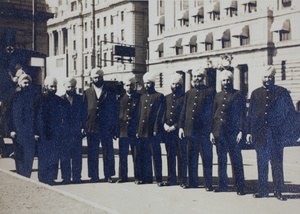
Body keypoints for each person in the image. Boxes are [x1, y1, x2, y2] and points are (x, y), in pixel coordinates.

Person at [246, 65, 295, 201]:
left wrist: (287, 132)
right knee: (261, 163)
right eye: (265, 77)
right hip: (260, 133)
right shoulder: (256, 93)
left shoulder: (282, 92)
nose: (267, 79)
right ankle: (263, 190)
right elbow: (250, 115)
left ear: (274, 78)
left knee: (276, 162)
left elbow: (290, 113)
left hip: (276, 133)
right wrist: (249, 132)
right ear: (262, 78)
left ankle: (278, 191)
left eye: (270, 77)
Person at [210, 70, 246, 195]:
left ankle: (240, 187)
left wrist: (241, 131)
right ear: (221, 82)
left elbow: (242, 114)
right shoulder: (218, 95)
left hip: (233, 133)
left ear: (231, 81)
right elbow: (213, 114)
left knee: (236, 159)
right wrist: (211, 131)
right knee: (221, 160)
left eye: (228, 80)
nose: (226, 82)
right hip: (219, 132)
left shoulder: (238, 94)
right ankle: (222, 185)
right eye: (224, 80)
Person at [179, 67, 215, 190]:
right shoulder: (189, 93)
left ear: (203, 78)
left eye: (199, 76)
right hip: (190, 131)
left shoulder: (210, 92)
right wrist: (181, 128)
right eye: (194, 76)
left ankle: (208, 184)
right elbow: (184, 111)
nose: (196, 79)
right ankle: (193, 182)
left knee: (206, 158)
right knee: (191, 158)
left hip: (204, 132)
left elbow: (213, 113)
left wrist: (211, 131)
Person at [83, 68, 117, 183]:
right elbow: (83, 110)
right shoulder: (87, 92)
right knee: (92, 151)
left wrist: (114, 126)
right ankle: (93, 175)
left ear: (102, 77)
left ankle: (109, 175)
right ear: (91, 79)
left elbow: (114, 110)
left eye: (99, 77)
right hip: (91, 126)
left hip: (106, 126)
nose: (96, 79)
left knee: (108, 151)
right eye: (94, 78)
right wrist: (83, 126)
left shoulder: (110, 91)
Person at [136, 72, 165, 186]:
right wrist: (138, 130)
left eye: (149, 83)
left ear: (153, 83)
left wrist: (156, 129)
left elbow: (159, 114)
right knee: (144, 156)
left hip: (153, 131)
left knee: (156, 156)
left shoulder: (159, 96)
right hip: (142, 131)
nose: (147, 85)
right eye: (145, 83)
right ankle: (146, 178)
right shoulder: (142, 97)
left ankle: (159, 179)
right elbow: (139, 115)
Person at [6, 74, 37, 177]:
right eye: (24, 82)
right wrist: (11, 130)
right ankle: (20, 175)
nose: (27, 85)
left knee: (29, 155)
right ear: (19, 83)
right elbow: (8, 114)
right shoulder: (14, 96)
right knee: (19, 155)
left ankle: (27, 175)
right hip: (18, 131)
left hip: (29, 131)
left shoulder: (33, 96)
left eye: (28, 83)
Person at [34, 76, 62, 185]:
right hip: (42, 132)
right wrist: (35, 132)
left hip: (55, 131)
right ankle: (42, 177)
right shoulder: (39, 98)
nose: (53, 89)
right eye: (51, 86)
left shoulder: (58, 100)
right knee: (43, 155)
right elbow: (35, 116)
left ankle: (51, 177)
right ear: (46, 86)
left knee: (54, 155)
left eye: (55, 86)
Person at [60, 77, 85, 184]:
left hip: (76, 131)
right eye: (68, 86)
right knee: (65, 155)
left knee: (77, 155)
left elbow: (84, 114)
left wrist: (83, 127)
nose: (70, 89)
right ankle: (65, 177)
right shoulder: (60, 99)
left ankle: (76, 177)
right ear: (64, 87)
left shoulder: (80, 99)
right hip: (64, 131)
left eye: (72, 87)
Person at [117, 74, 141, 183]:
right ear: (124, 87)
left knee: (136, 155)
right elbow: (117, 116)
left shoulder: (139, 98)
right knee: (122, 155)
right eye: (127, 85)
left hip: (134, 131)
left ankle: (138, 177)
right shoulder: (121, 99)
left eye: (131, 85)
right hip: (123, 131)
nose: (129, 87)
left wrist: (138, 130)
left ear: (134, 86)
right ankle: (122, 177)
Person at [163, 74, 186, 186]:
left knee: (181, 155)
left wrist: (176, 126)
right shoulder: (166, 97)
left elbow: (184, 114)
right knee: (170, 155)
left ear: (180, 85)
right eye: (173, 84)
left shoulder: (184, 97)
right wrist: (164, 125)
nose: (175, 86)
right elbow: (163, 113)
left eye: (177, 84)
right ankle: (171, 178)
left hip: (178, 131)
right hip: (168, 132)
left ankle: (182, 179)